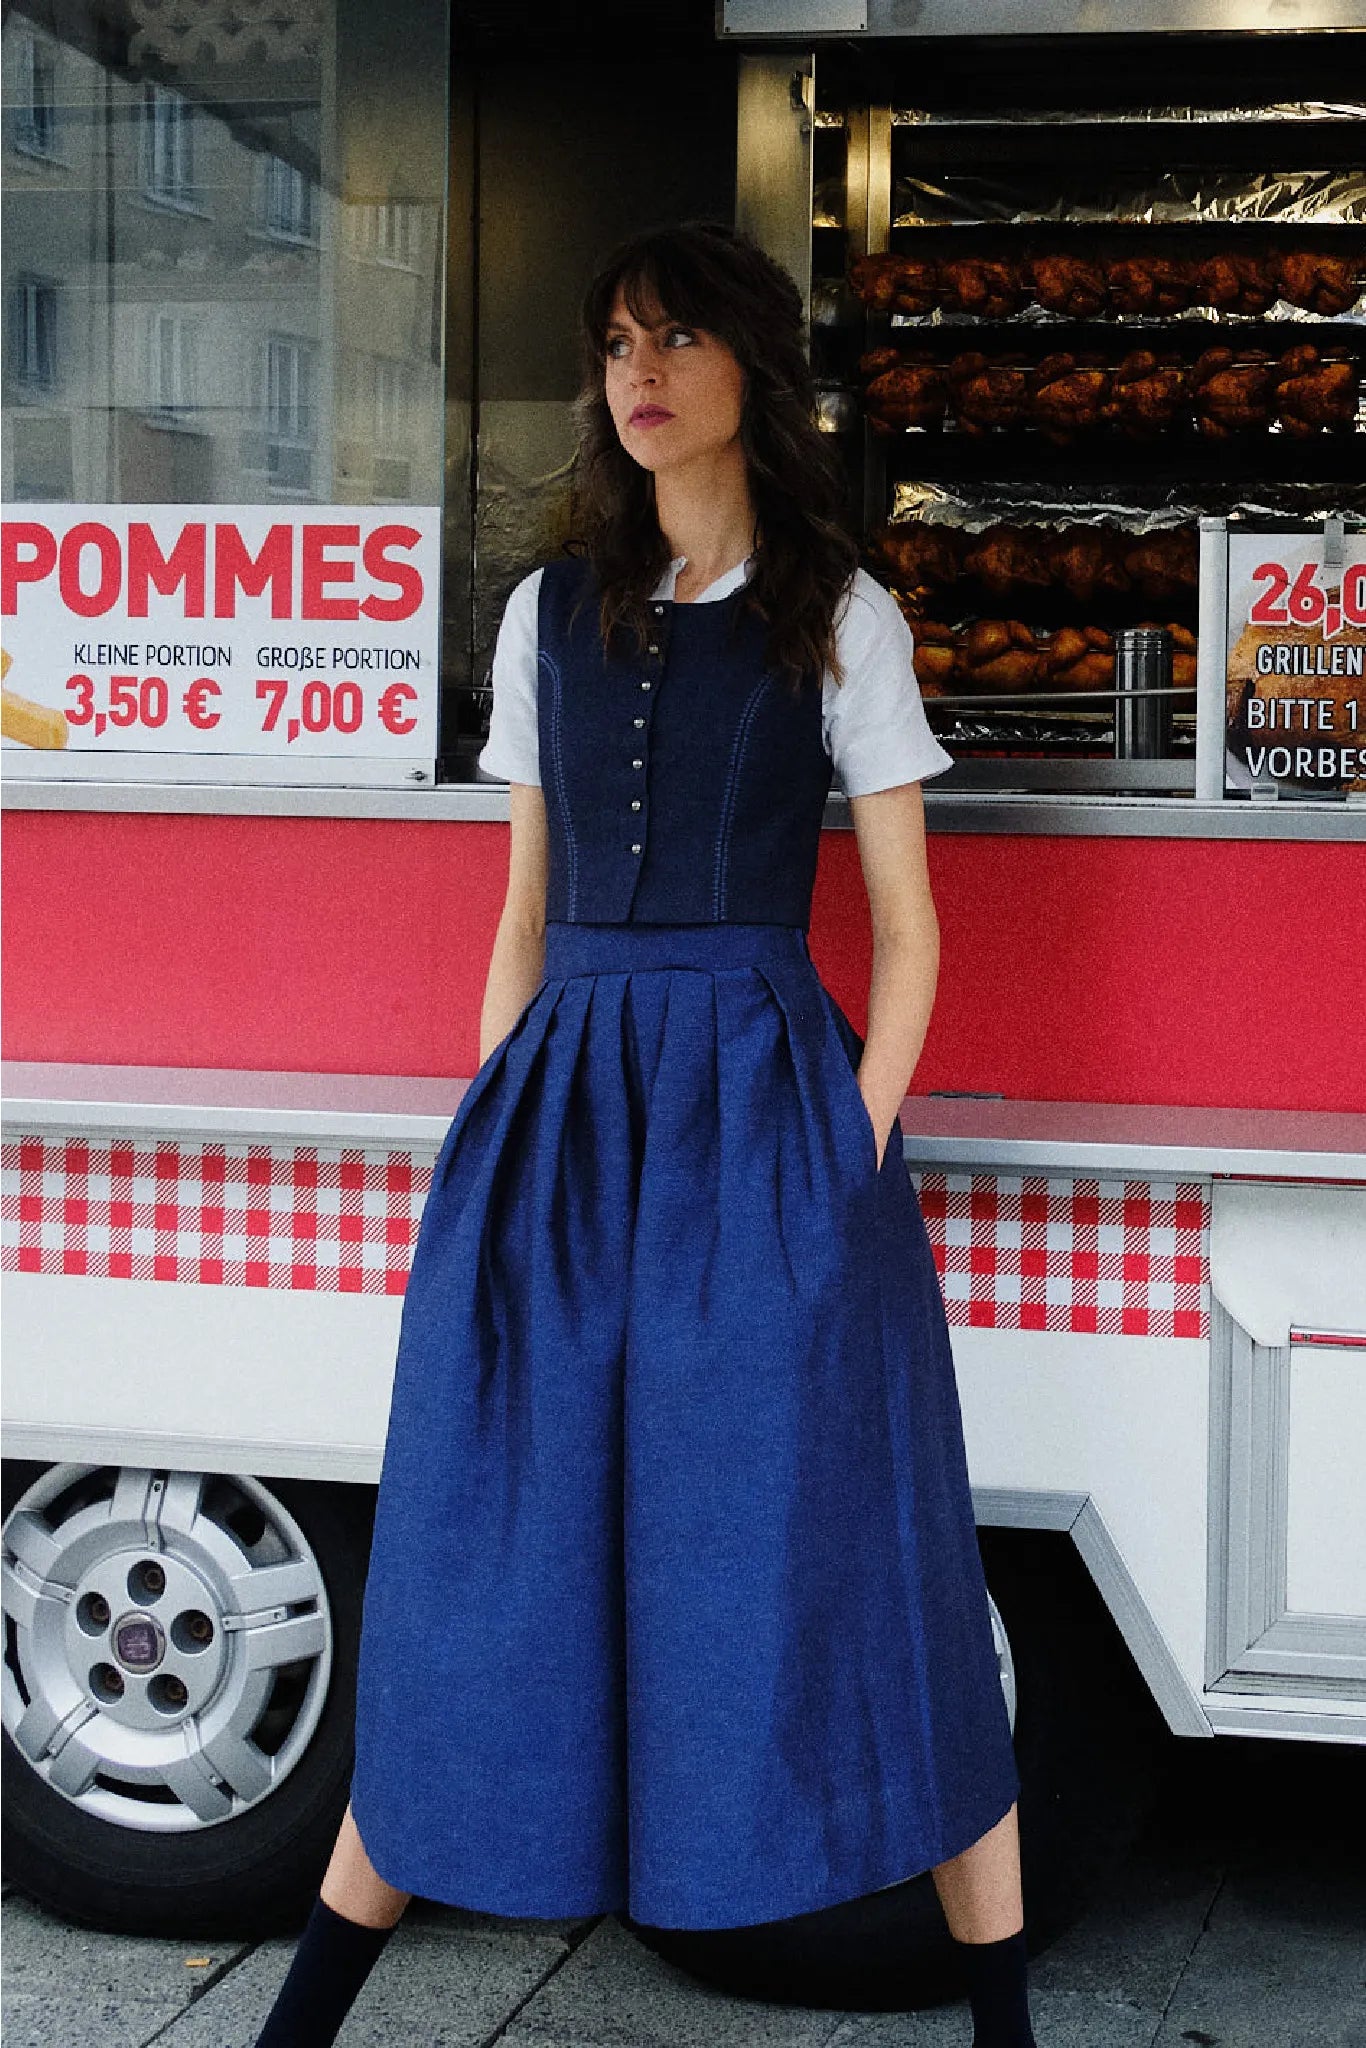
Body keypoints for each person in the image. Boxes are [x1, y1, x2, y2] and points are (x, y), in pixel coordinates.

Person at [253, 220, 1037, 2048]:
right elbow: (519, 910)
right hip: (563, 1124)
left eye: (673, 336)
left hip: (767, 1123)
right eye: (614, 341)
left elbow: (909, 935)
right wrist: (497, 1130)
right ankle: (302, 2021)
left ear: (747, 369)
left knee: (845, 1558)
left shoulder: (841, 615)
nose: (636, 371)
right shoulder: (547, 615)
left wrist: (843, 1157)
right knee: (490, 1561)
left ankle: (1003, 2028)